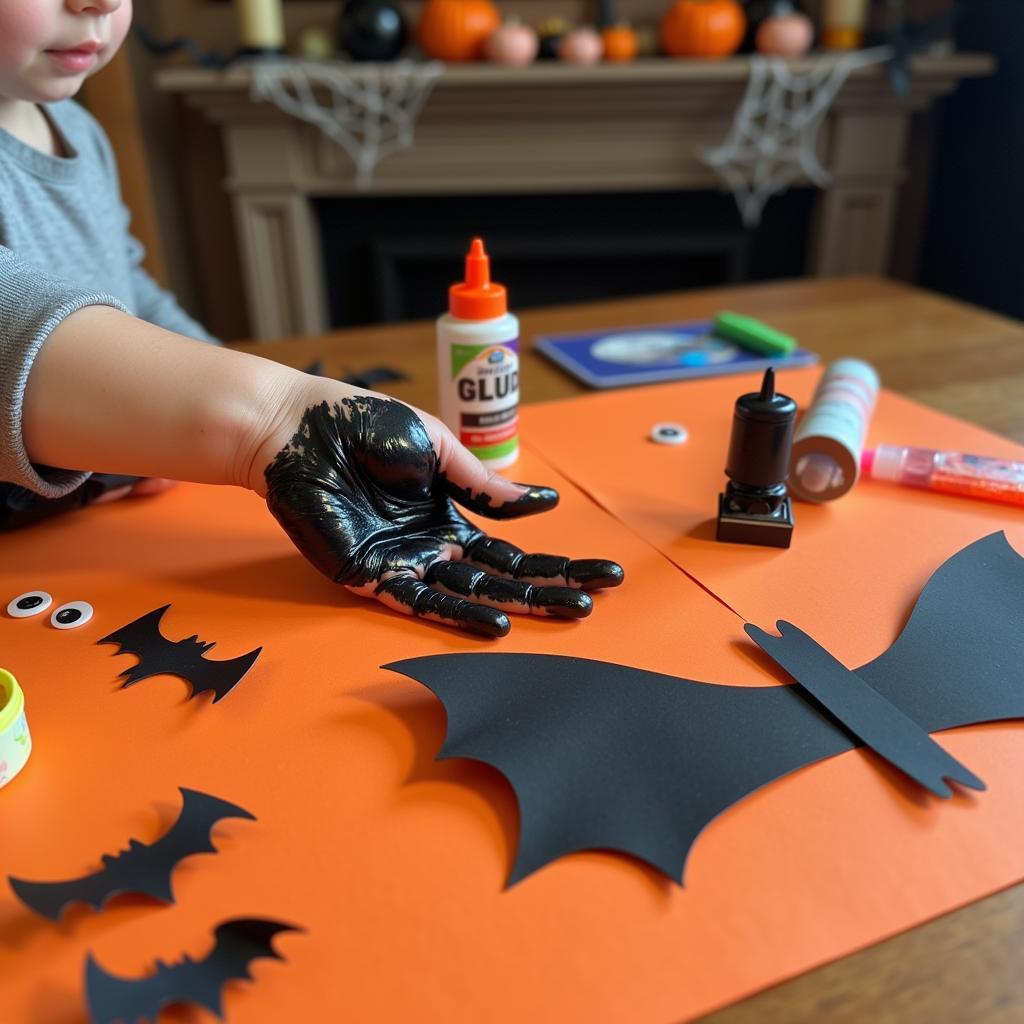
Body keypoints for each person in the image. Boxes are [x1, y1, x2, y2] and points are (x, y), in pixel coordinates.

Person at [0, 0, 623, 637]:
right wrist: (274, 415)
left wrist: (215, 384)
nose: (97, 2)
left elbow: (127, 284)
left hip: (112, 517)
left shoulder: (79, 129)